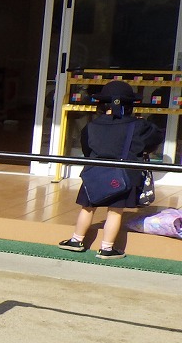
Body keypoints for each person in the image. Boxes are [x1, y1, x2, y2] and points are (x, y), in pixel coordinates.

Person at [58, 80, 163, 259]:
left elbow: (87, 149)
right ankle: (107, 248)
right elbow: (156, 137)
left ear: (102, 104)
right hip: (122, 175)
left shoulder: (91, 126)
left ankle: (76, 240)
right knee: (115, 212)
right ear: (129, 105)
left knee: (87, 208)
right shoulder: (137, 126)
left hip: (94, 173)